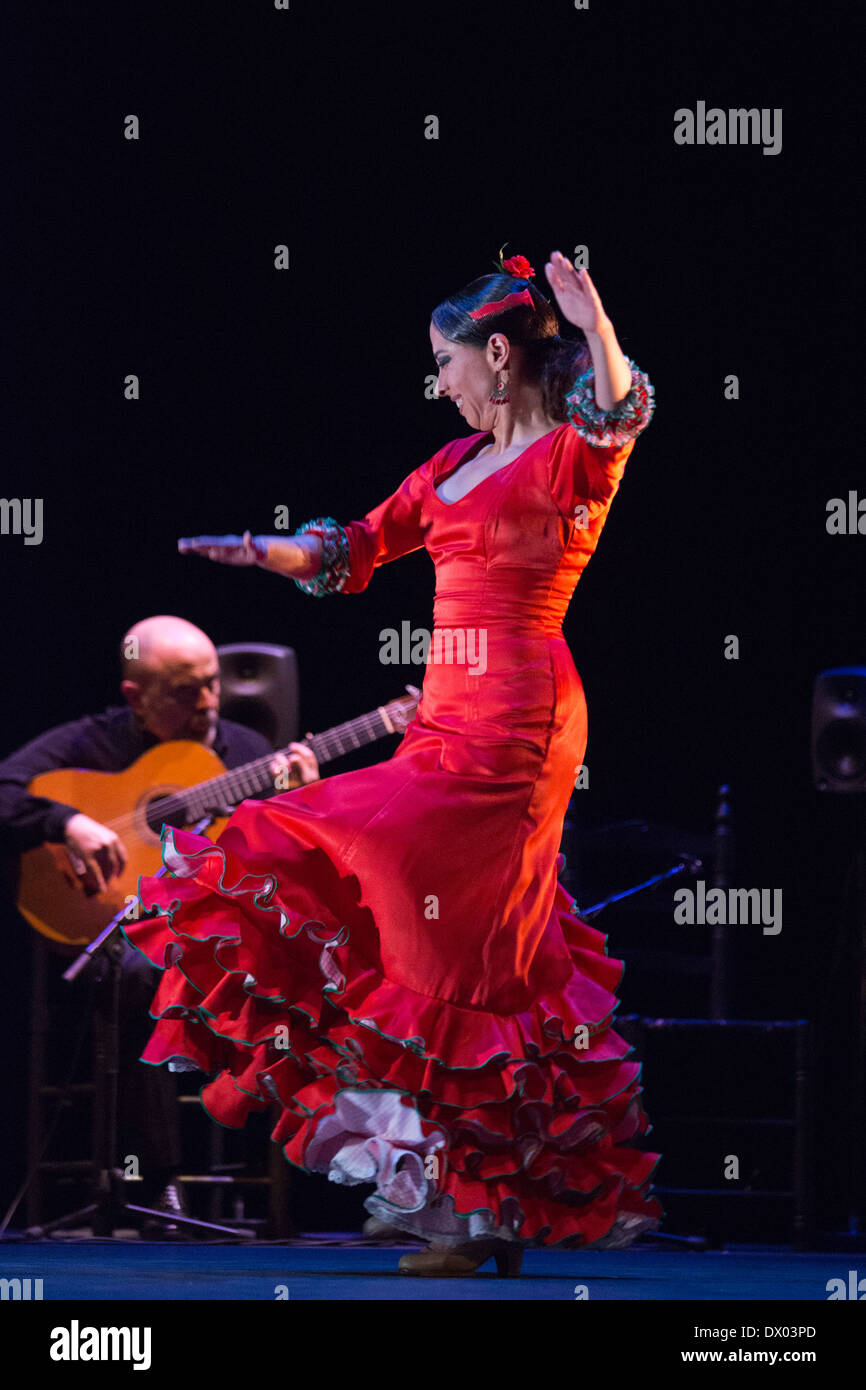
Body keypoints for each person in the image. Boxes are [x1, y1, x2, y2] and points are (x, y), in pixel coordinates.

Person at [123, 250, 662, 1275]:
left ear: (496, 356)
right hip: (443, 712)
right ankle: (466, 1199)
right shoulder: (446, 466)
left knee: (462, 955)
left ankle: (470, 1210)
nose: (439, 382)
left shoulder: (569, 456)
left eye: (444, 362)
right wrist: (260, 550)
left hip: (519, 721)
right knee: (371, 908)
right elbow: (355, 548)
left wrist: (595, 325)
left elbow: (620, 410)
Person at [0, 615, 318, 1232]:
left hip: (223, 936)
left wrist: (304, 800)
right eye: (183, 691)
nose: (206, 703)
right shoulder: (91, 744)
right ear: (134, 697)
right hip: (121, 933)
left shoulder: (252, 756)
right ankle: (154, 1182)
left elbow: (297, 865)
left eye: (212, 685)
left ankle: (316, 1178)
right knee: (144, 977)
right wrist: (65, 822)